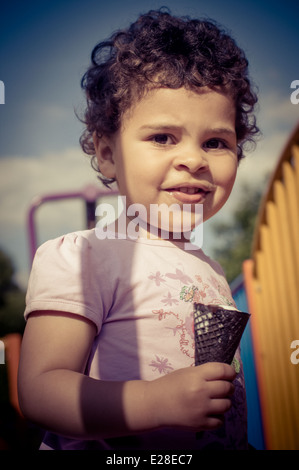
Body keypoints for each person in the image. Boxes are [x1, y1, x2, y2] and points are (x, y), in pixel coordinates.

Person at [18, 8, 259, 450]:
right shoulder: (84, 256)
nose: (194, 159)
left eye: (216, 142)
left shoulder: (211, 269)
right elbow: (41, 390)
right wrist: (152, 402)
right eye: (163, 137)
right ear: (108, 153)